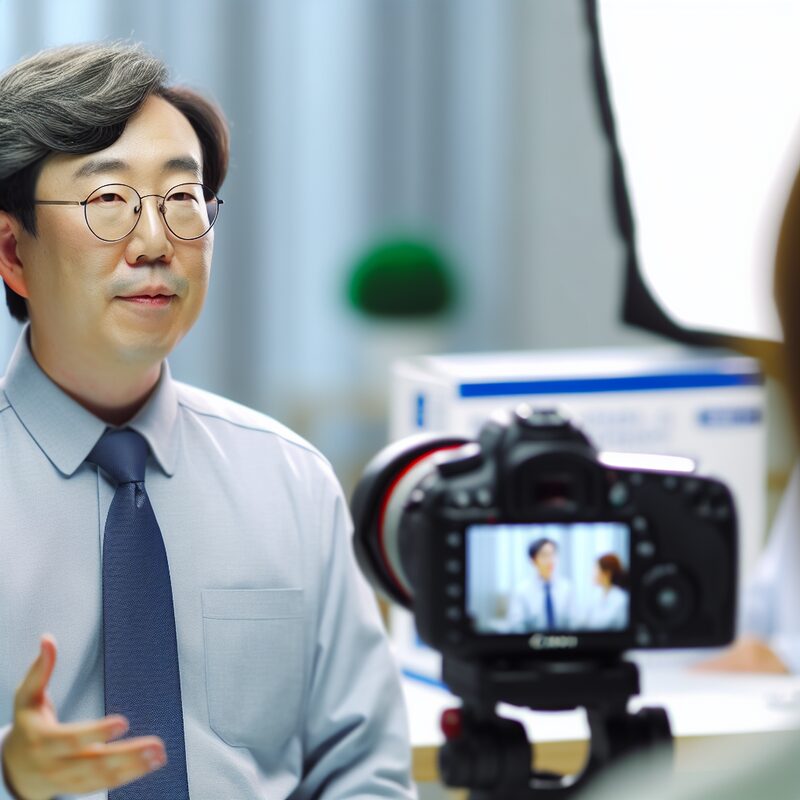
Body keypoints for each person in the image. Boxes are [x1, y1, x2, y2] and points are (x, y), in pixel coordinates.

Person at [0, 43, 414, 800]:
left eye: (183, 199)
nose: (156, 243)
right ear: (13, 252)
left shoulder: (289, 482)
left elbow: (366, 770)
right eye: (108, 200)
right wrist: (8, 774)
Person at [506, 538, 577, 632]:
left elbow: (573, 623)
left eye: (553, 554)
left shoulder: (567, 588)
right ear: (533, 560)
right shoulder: (522, 591)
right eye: (545, 555)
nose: (550, 560)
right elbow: (516, 626)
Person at [582, 553, 629, 631]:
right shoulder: (597, 595)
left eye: (596, 570)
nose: (593, 574)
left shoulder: (620, 599)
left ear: (607, 573)